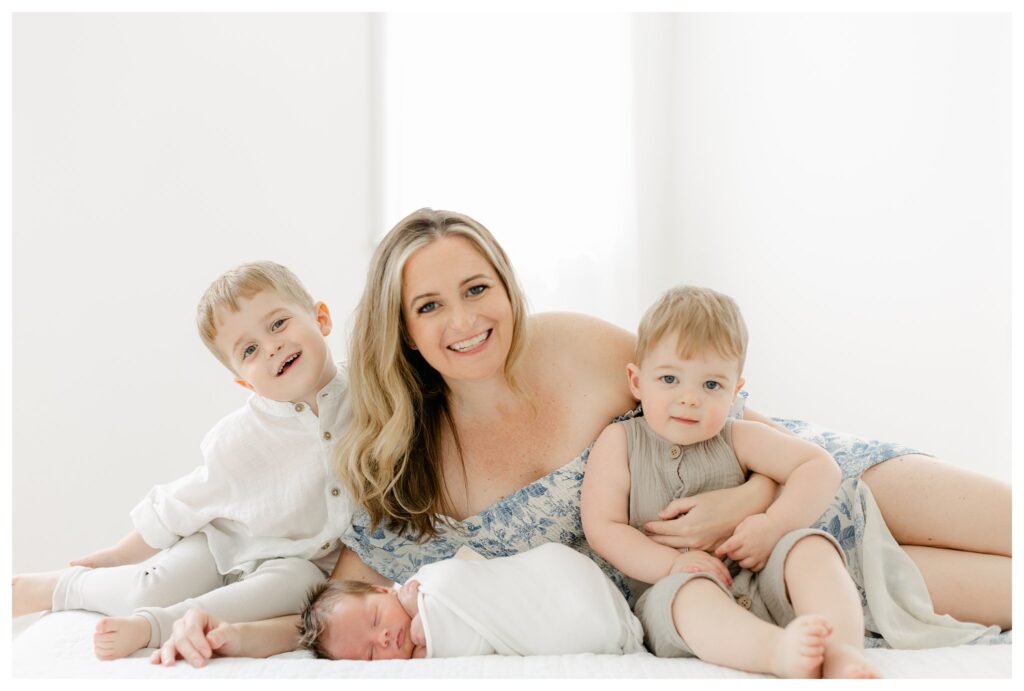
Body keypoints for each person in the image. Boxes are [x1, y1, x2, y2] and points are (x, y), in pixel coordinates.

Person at [148, 209, 1010, 667]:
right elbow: (338, 609)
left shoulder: (576, 344)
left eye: (477, 287)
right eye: (431, 305)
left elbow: (712, 404)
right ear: (402, 330)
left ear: (508, 287)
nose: (465, 319)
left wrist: (755, 496)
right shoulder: (408, 467)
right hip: (765, 574)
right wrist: (210, 634)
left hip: (811, 479)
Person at [11, 261, 353, 660]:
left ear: (321, 318)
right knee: (149, 585)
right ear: (244, 380)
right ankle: (61, 587)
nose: (272, 346)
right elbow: (182, 501)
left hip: (298, 561)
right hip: (222, 542)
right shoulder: (240, 437)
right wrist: (120, 556)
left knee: (300, 588)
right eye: (249, 350)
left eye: (278, 324)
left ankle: (152, 626)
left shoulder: (376, 396)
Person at [582, 285, 881, 677]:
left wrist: (775, 525)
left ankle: (841, 651)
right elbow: (604, 527)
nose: (690, 398)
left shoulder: (737, 436)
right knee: (690, 596)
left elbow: (819, 466)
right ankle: (777, 652)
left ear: (735, 391)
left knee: (809, 548)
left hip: (762, 581)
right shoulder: (620, 441)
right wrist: (673, 564)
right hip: (676, 589)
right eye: (670, 379)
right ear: (637, 382)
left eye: (711, 385)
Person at [298, 543, 644, 660]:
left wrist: (425, 612)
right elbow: (470, 638)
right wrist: (427, 639)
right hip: (542, 626)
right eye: (372, 653)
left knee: (557, 572)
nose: (384, 638)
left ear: (382, 591)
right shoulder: (417, 655)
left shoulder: (424, 584)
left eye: (375, 621)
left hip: (553, 577)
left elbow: (461, 579)